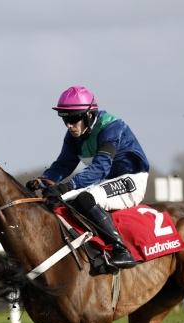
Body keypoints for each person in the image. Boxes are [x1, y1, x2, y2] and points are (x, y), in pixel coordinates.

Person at [29, 86, 150, 269]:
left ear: (89, 115)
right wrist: (44, 181)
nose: (69, 125)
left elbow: (100, 168)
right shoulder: (73, 136)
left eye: (73, 118)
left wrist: (68, 186)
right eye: (65, 119)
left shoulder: (111, 127)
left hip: (131, 180)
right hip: (105, 182)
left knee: (86, 198)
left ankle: (122, 251)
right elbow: (64, 164)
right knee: (53, 201)